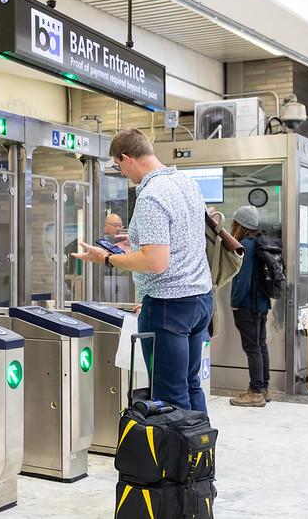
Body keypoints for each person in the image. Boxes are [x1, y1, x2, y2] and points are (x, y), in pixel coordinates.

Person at [73, 128, 213, 413]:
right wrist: (135, 243)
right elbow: (178, 240)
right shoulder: (186, 183)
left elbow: (155, 262)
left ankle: (175, 459)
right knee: (190, 383)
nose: (123, 173)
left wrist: (107, 259)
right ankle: (201, 457)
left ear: (127, 158)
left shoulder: (151, 195)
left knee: (170, 393)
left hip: (169, 306)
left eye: (118, 166)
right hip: (200, 300)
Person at [228, 205, 271, 407]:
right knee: (260, 345)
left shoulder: (245, 244)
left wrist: (235, 303)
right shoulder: (259, 242)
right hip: (262, 304)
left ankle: (255, 393)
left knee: (252, 348)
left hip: (247, 305)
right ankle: (263, 388)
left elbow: (241, 280)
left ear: (240, 224)